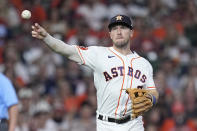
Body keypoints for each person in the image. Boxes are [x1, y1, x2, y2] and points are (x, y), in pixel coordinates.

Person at [31, 14, 159, 131]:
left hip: (134, 124)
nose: (119, 32)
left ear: (131, 32)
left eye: (123, 28)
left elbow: (153, 91)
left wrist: (151, 98)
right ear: (110, 34)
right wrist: (47, 38)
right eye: (114, 29)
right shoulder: (98, 53)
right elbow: (67, 50)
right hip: (107, 125)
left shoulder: (144, 64)